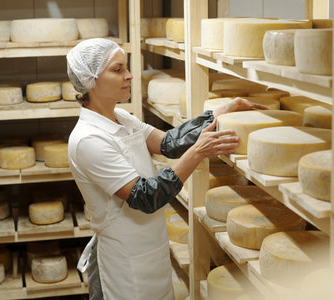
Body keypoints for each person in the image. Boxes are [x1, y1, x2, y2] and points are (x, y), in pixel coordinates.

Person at [66, 38, 266, 300]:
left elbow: (168, 144)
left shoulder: (121, 118)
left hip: (150, 246)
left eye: (126, 68)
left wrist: (217, 113)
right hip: (123, 258)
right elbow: (146, 196)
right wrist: (198, 152)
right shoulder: (88, 140)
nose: (129, 75)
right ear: (89, 80)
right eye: (118, 70)